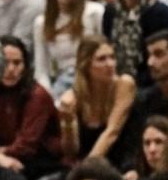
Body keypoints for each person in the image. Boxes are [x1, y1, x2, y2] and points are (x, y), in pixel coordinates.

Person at [0, 36, 63, 180]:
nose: (11, 69)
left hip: (42, 162)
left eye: (17, 63)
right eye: (5, 63)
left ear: (26, 66)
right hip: (5, 157)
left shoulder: (37, 95)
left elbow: (26, 146)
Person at [57, 36, 137, 170]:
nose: (110, 64)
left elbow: (111, 133)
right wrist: (67, 122)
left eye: (112, 57)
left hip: (120, 163)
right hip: (86, 164)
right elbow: (71, 152)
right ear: (86, 65)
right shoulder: (74, 96)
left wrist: (84, 172)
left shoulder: (124, 84)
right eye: (101, 59)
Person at [33, 0, 105, 97]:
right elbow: (41, 71)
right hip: (62, 81)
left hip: (92, 77)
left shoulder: (95, 12)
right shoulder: (41, 23)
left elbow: (106, 52)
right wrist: (47, 98)